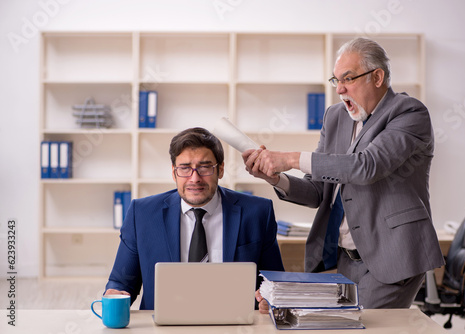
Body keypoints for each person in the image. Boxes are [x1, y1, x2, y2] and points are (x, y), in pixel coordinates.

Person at [244, 37, 444, 310]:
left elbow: (366, 166)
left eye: (348, 79)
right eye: (335, 80)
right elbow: (318, 191)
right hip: (339, 258)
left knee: (366, 328)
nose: (340, 90)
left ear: (377, 77)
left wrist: (290, 159)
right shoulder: (335, 116)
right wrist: (275, 177)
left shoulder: (409, 113)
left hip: (390, 257)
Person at [105, 127, 284, 310]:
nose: (195, 178)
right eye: (184, 168)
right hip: (163, 326)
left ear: (220, 170)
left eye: (205, 167)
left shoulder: (258, 212)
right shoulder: (142, 214)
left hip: (235, 325)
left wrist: (269, 300)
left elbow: (276, 283)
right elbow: (121, 283)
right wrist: (114, 294)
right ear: (174, 172)